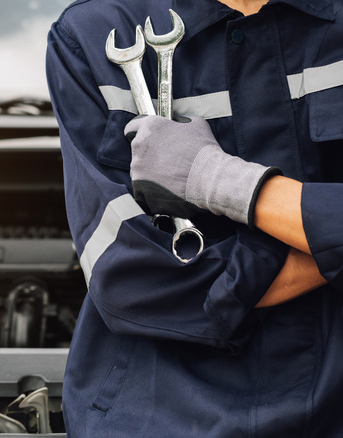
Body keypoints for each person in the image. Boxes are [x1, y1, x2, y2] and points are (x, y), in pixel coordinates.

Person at [46, 0, 343, 436]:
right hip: (160, 417)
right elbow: (131, 279)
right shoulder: (93, 33)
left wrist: (215, 178)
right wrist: (328, 237)